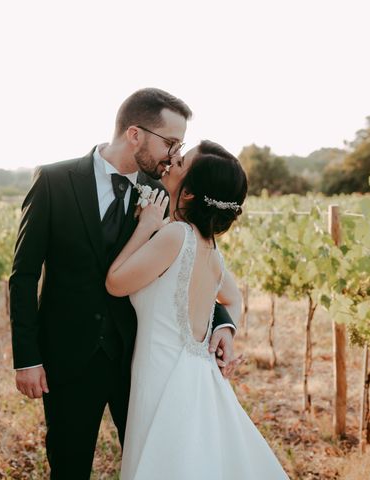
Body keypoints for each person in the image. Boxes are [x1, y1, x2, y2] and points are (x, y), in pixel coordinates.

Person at [9, 88, 238, 479]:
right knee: (68, 464)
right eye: (170, 142)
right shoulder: (54, 180)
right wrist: (27, 358)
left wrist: (224, 326)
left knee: (150, 462)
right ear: (135, 134)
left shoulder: (168, 192)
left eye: (179, 145)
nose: (173, 154)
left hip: (139, 358)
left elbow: (190, 270)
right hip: (69, 356)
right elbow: (24, 274)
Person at [106, 140, 288, 479]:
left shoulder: (174, 235)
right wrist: (225, 331)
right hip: (196, 371)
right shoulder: (211, 250)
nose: (173, 161)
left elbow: (115, 283)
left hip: (161, 374)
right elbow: (232, 299)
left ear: (188, 194)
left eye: (181, 163)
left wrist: (146, 225)